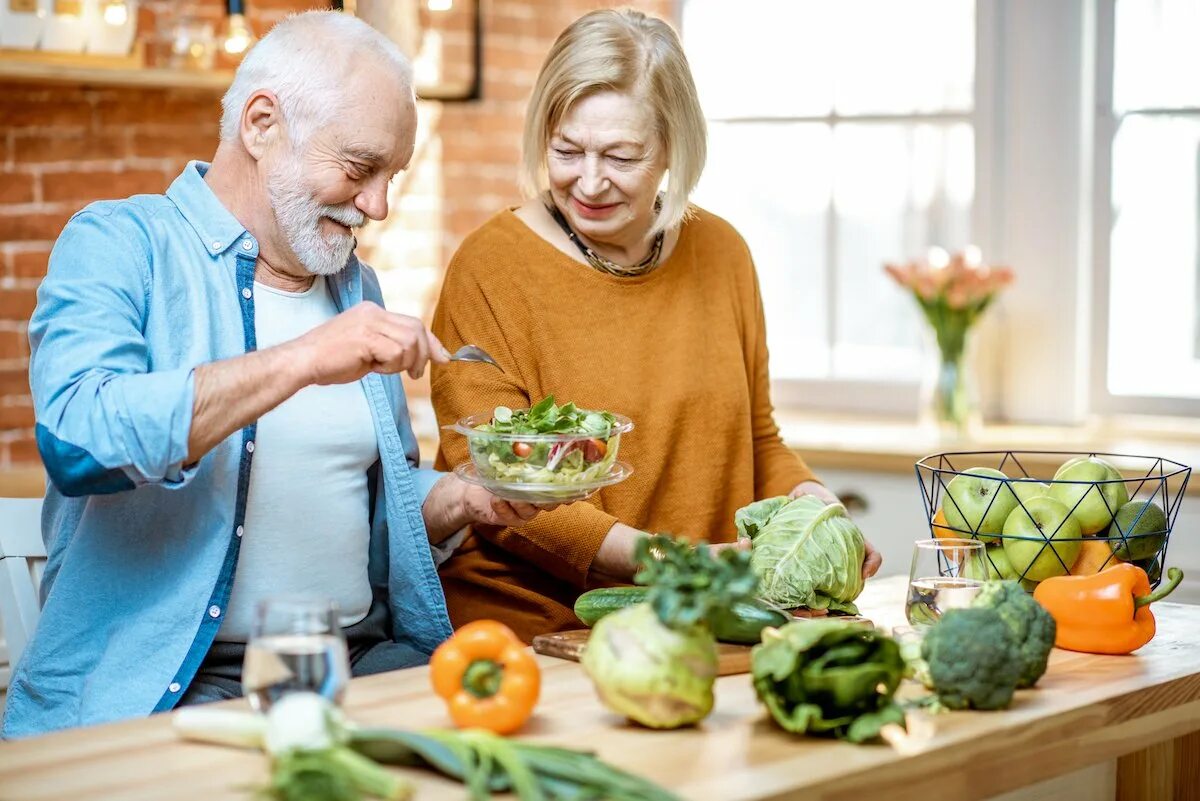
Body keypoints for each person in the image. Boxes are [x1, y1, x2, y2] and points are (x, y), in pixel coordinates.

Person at [2, 11, 541, 739]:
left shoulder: (356, 289)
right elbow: (79, 440)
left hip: (365, 663)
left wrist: (464, 498)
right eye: (359, 168)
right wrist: (302, 360)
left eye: (392, 176)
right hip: (181, 687)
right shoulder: (120, 243)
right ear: (261, 124)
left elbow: (365, 504)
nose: (378, 205)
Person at [429, 9, 882, 644]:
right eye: (566, 150)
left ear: (673, 147)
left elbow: (756, 437)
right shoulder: (489, 268)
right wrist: (673, 563)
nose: (588, 181)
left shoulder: (723, 252)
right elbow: (496, 486)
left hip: (702, 618)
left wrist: (817, 512)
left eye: (621, 155)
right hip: (542, 630)